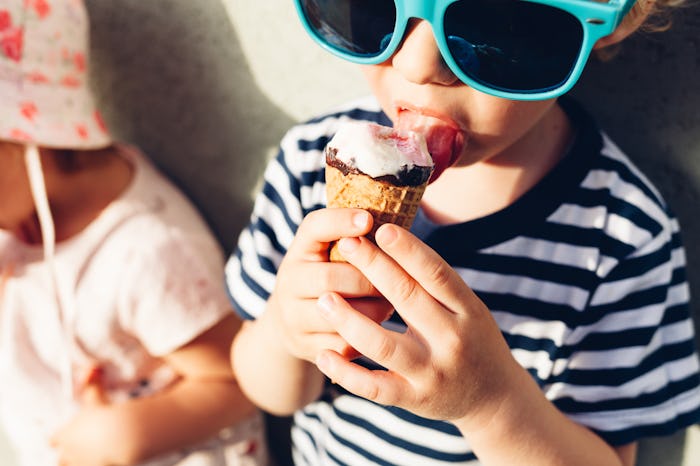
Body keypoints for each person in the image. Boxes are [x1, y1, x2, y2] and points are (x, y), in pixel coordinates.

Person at [227, 0, 700, 465]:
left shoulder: (623, 238)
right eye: (373, 6)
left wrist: (491, 405)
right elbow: (269, 394)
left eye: (491, 22)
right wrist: (284, 333)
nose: (416, 65)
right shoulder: (315, 162)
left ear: (611, 20)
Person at [0, 1, 267, 465]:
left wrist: (127, 432)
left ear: (28, 139)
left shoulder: (147, 252)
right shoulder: (17, 211)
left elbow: (240, 380)